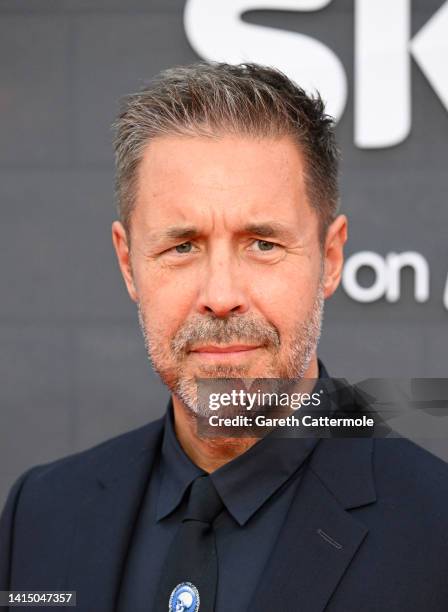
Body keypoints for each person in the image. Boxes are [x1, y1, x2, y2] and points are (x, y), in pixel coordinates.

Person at [1, 62, 448, 612]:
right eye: (182, 246)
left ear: (330, 258)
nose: (220, 294)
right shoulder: (40, 513)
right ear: (128, 262)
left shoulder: (437, 530)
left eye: (262, 243)